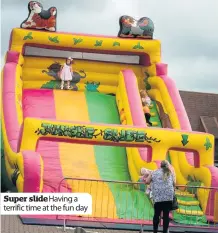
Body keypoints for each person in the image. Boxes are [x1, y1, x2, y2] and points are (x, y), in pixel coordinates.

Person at [145, 160, 175, 233]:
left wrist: (150, 175)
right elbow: (174, 183)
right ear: (167, 166)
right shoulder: (170, 172)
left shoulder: (155, 172)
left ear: (160, 166)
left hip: (158, 197)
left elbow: (147, 181)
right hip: (168, 197)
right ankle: (165, 231)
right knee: (166, 215)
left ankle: (155, 231)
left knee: (157, 214)